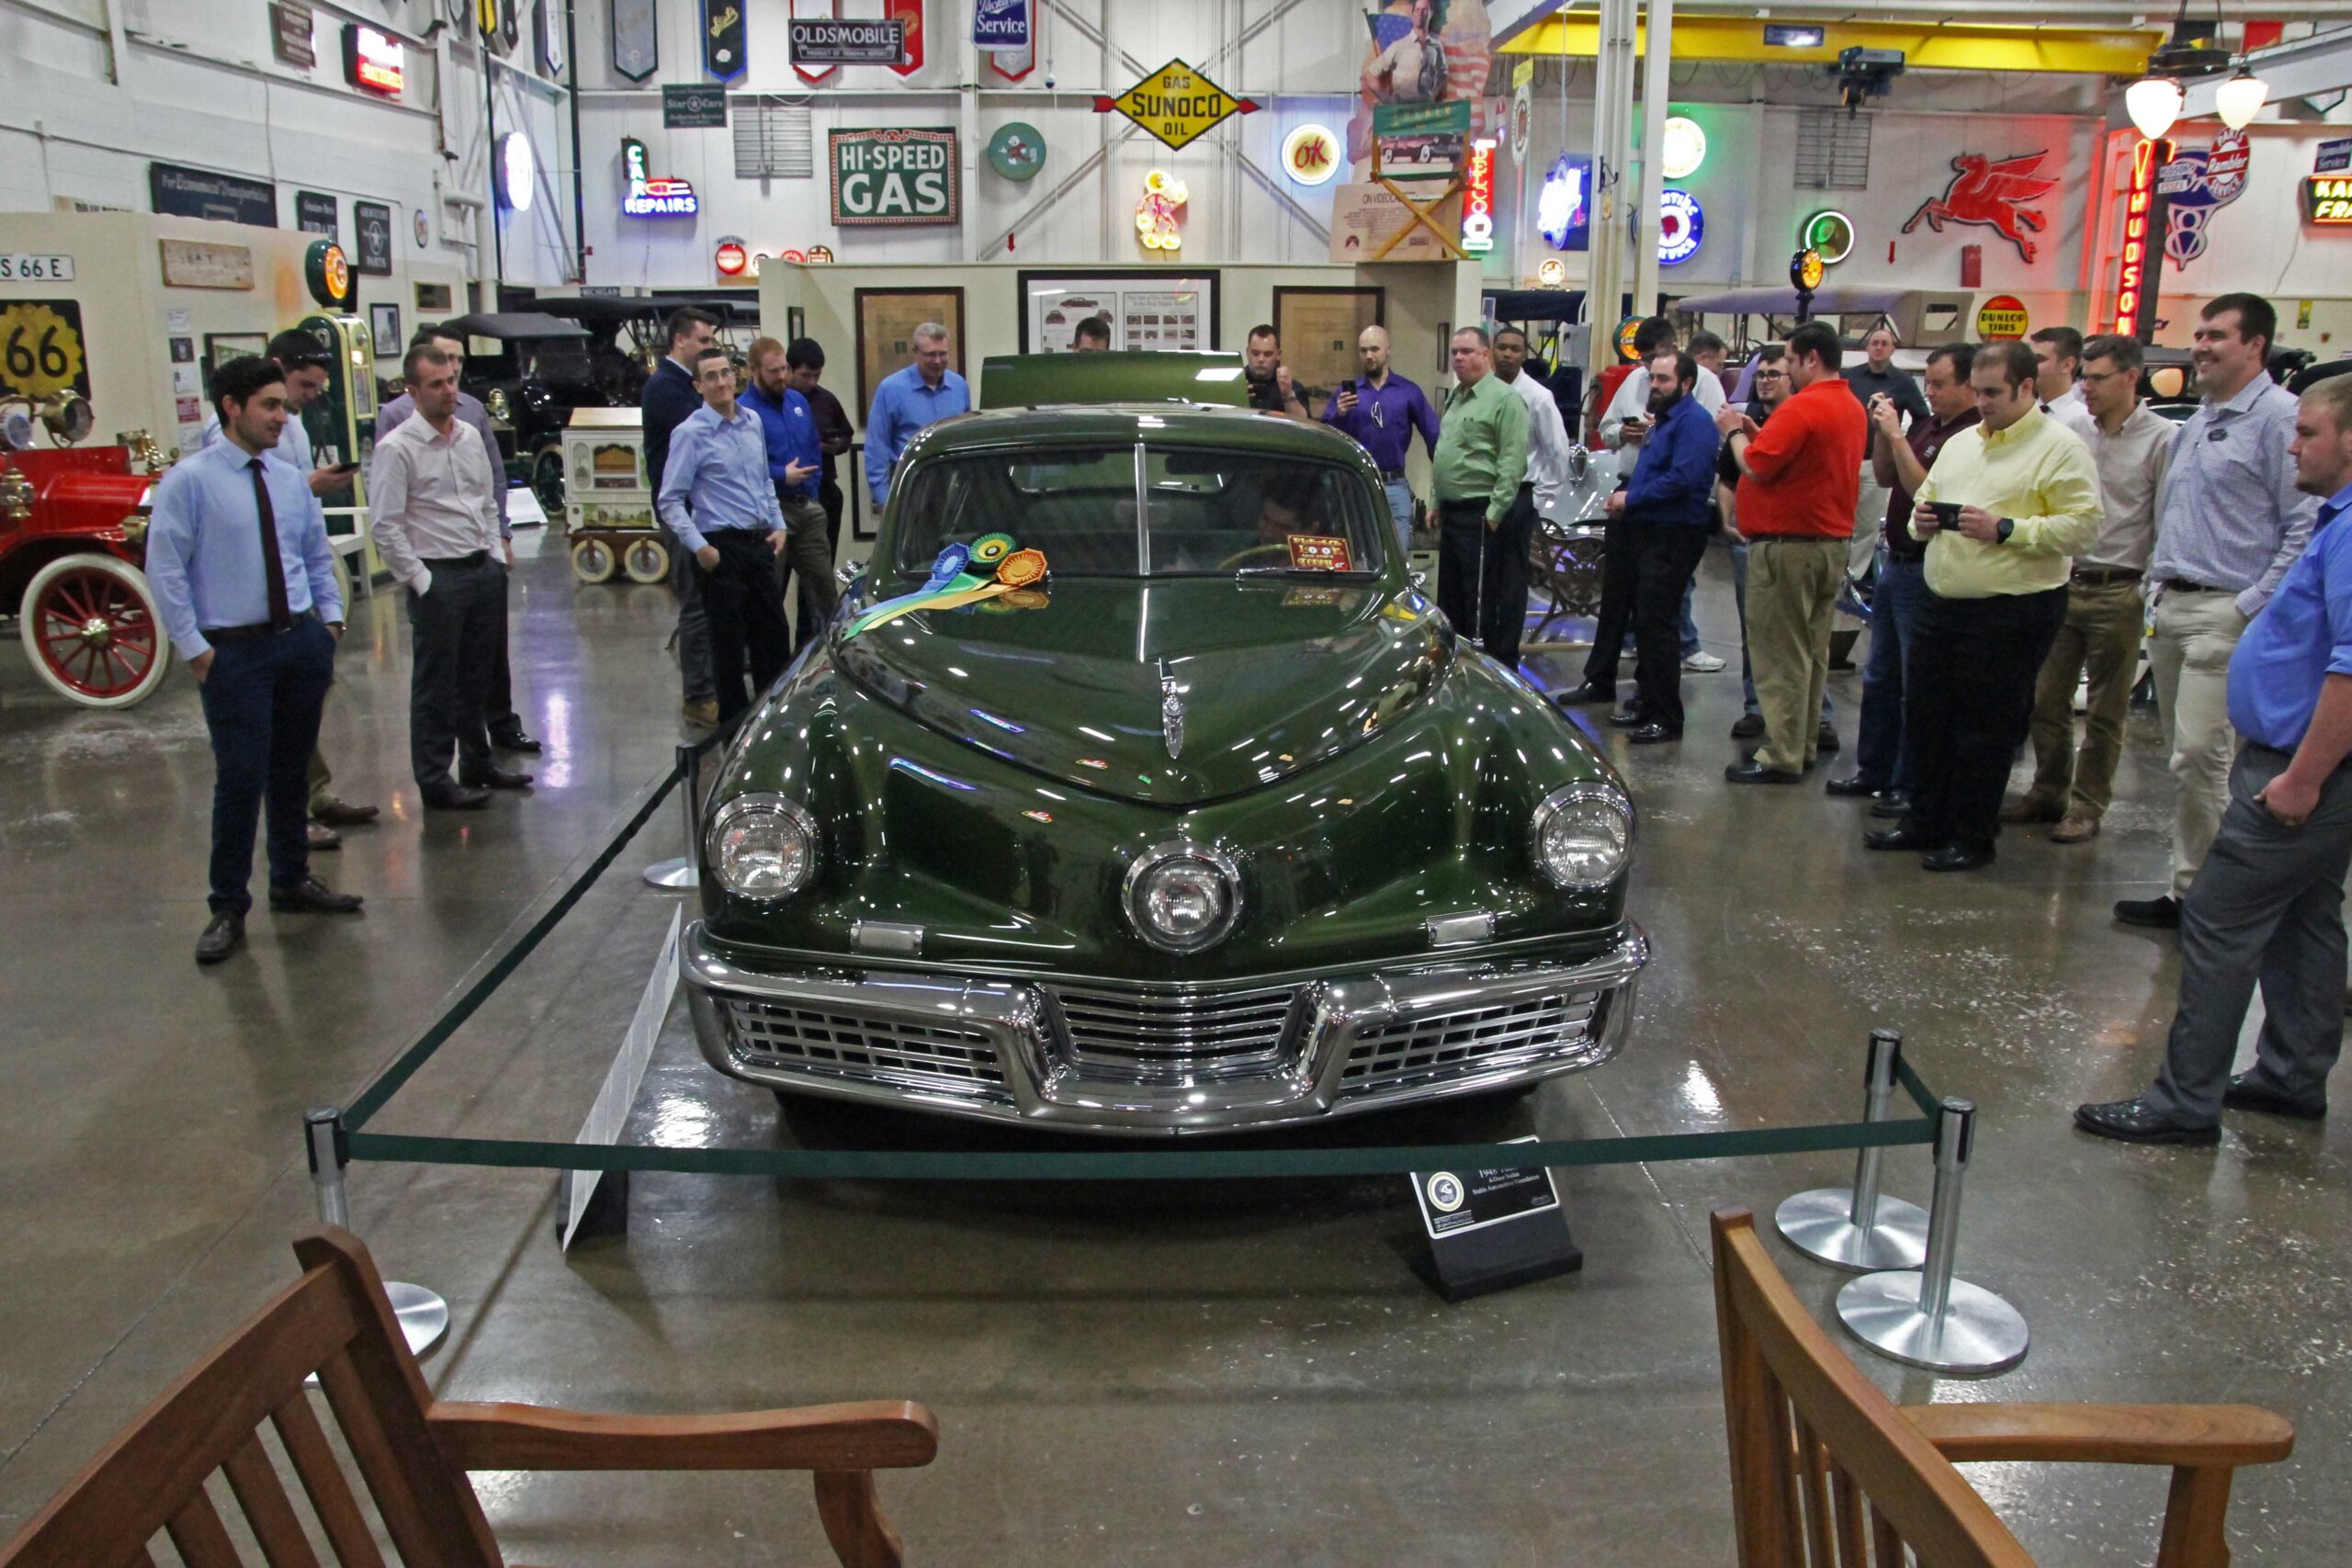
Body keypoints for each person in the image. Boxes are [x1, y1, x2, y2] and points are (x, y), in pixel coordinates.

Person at [2075, 375, 2352, 1145]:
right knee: (2307, 916)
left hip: (2306, 770)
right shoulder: (2337, 521)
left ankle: (2183, 1100)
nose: (2294, 444)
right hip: (2298, 761)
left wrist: (2303, 778)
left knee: (2220, 919)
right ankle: (2292, 1075)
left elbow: (2351, 669)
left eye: (2310, 433)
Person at [145, 356, 360, 964]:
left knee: (290, 771)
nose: (281, 415)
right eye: (270, 404)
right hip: (233, 652)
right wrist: (196, 649)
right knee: (240, 780)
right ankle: (227, 905)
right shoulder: (191, 482)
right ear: (232, 407)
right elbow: (164, 568)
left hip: (297, 644)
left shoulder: (288, 479)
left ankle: (291, 879)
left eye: (283, 405)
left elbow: (315, 554)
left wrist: (330, 622)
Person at [2118, 294, 2319, 930]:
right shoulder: (2201, 419)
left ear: (2255, 344)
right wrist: (2155, 587)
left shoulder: (2281, 420)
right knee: (2186, 758)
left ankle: (2216, 903)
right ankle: (2190, 890)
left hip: (2224, 614)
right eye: (2198, 334)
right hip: (2173, 608)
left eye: (2216, 336)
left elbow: (2306, 524)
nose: (2199, 346)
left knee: (2203, 757)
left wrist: (2248, 605)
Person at [1863, 341, 2099, 871]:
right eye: (1979, 392)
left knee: (1983, 730)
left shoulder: (2060, 447)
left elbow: (2084, 525)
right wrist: (1920, 523)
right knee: (1926, 719)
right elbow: (1923, 501)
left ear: (2026, 389)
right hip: (1942, 600)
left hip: (2010, 610)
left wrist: (2008, 528)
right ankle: (1925, 820)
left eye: (1994, 393)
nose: (1984, 402)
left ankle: (1971, 835)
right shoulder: (1964, 442)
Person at [195, 333, 379, 848]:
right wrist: (196, 648)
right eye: (299, 387)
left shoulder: (291, 429)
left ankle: (310, 800)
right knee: (249, 760)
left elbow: (307, 539)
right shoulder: (215, 452)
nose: (301, 401)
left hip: (296, 609)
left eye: (311, 390)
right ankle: (290, 823)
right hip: (244, 626)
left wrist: (329, 624)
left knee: (302, 718)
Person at [2007, 334, 2176, 843]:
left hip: (2119, 588)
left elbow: (2165, 517)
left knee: (2105, 710)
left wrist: (2146, 587)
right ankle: (2048, 789)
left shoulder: (2162, 439)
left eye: (2099, 378)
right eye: (2084, 376)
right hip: (2065, 579)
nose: (2087, 387)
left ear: (2132, 377)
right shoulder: (2073, 430)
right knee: (2045, 699)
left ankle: (2086, 804)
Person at [370, 344, 526, 812]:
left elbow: (483, 499)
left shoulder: (469, 437)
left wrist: (493, 552)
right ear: (413, 392)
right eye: (436, 384)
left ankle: (478, 762)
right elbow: (386, 525)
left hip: (480, 568)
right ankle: (435, 779)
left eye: (452, 380)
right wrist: (421, 580)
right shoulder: (396, 449)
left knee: (478, 677)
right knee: (436, 685)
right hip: (438, 576)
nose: (448, 391)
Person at [1827, 343, 1979, 816]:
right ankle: (1873, 769)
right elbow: (1888, 477)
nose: (1929, 393)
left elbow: (1924, 492)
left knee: (1918, 684)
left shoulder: (1969, 436)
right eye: (1927, 383)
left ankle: (1907, 782)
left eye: (1939, 384)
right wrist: (1883, 433)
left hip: (1927, 570)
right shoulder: (1929, 425)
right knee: (1880, 676)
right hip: (1896, 563)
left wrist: (1896, 436)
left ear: (1969, 386)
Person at [1716, 321, 1865, 783]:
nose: (1786, 373)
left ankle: (1780, 753)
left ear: (1810, 360)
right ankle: (1798, 746)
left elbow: (1757, 468)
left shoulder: (1804, 406)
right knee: (1811, 654)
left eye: (1791, 364)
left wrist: (1734, 433)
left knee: (1780, 656)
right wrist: (1761, 431)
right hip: (1828, 547)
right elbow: (1801, 463)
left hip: (1788, 550)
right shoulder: (1850, 406)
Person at [662, 348, 793, 727]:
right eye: (711, 377)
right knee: (728, 648)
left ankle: (772, 723)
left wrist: (778, 522)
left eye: (725, 373)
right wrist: (700, 547)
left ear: (735, 377)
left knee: (773, 636)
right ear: (698, 386)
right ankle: (734, 730)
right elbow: (670, 500)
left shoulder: (752, 422)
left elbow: (764, 481)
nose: (721, 382)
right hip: (721, 548)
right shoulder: (690, 434)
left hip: (758, 545)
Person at [1604, 350, 1720, 742]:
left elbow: (1683, 480)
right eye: (1652, 378)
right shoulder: (1663, 422)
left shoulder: (1695, 424)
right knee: (1646, 623)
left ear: (1686, 383)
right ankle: (1648, 704)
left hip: (1675, 533)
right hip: (1648, 531)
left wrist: (1631, 499)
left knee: (1659, 624)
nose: (1654, 385)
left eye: (1664, 380)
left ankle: (1668, 717)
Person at [643, 306, 722, 727]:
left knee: (712, 605)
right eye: (704, 340)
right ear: (681, 341)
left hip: (707, 511)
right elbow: (705, 430)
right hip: (683, 514)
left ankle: (715, 685)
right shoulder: (666, 389)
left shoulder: (686, 385)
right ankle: (698, 697)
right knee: (694, 607)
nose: (710, 348)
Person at [1431, 327, 1529, 655]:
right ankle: (1455, 662)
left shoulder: (1505, 399)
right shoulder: (1455, 397)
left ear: (1485, 354)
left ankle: (1488, 667)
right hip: (1452, 513)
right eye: (1455, 352)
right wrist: (1436, 500)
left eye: (1467, 351)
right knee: (1452, 598)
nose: (1459, 358)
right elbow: (1446, 451)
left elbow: (1512, 461)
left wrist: (1495, 513)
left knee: (1481, 602)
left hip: (1482, 514)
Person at [740, 336, 838, 652]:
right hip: (770, 514)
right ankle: (772, 667)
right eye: (773, 371)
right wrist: (783, 474)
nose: (782, 376)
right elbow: (742, 467)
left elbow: (812, 449)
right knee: (769, 595)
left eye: (784, 368)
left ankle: (830, 654)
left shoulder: (797, 401)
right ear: (754, 370)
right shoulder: (744, 412)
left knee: (824, 589)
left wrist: (813, 495)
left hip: (806, 509)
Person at [1486, 325, 1570, 665]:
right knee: (1486, 579)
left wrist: (1538, 498)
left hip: (1519, 499)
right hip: (1485, 497)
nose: (1507, 354)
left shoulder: (1537, 397)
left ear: (1524, 354)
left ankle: (1505, 654)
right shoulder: (1483, 391)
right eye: (1502, 347)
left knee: (1511, 582)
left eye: (1515, 349)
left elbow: (1557, 452)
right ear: (1492, 350)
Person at [1322, 324, 1439, 555]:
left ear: (1388, 350)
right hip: (1357, 484)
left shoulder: (1408, 391)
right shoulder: (1347, 394)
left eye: (1374, 349)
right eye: (1363, 350)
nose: (1369, 356)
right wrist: (1339, 414)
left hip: (1394, 484)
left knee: (1397, 554)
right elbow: (1326, 438)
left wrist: (1441, 489)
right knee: (1359, 556)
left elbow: (1435, 437)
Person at [1840, 325, 1930, 586]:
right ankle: (1835, 575)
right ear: (1867, 348)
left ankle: (1853, 579)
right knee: (1841, 520)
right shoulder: (1850, 377)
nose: (1878, 347)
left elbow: (1922, 418)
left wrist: (1901, 442)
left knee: (1866, 525)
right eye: (1874, 343)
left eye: (1884, 343)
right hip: (1846, 459)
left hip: (1875, 463)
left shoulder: (1903, 382)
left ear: (1893, 349)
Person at [786, 337, 854, 626]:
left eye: (816, 375)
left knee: (818, 579)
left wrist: (835, 445)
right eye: (805, 375)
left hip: (823, 491)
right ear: (789, 370)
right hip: (785, 496)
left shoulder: (826, 400)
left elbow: (847, 435)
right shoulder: (780, 402)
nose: (811, 382)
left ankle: (811, 640)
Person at [865, 321, 971, 507]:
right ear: (916, 353)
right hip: (910, 489)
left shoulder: (959, 386)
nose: (938, 361)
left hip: (952, 491)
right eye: (930, 354)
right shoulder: (891, 389)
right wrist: (885, 501)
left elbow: (968, 437)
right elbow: (877, 448)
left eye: (943, 354)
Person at [1242, 325, 1313, 421]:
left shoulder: (1293, 388)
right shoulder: (1234, 383)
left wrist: (1288, 395)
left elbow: (1305, 425)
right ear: (1247, 352)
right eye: (1255, 353)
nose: (1261, 359)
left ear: (1278, 355)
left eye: (1268, 354)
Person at [2030, 326, 2094, 432]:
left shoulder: (2084, 420)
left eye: (2039, 359)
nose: (2030, 365)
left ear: (2067, 365)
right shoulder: (2023, 414)